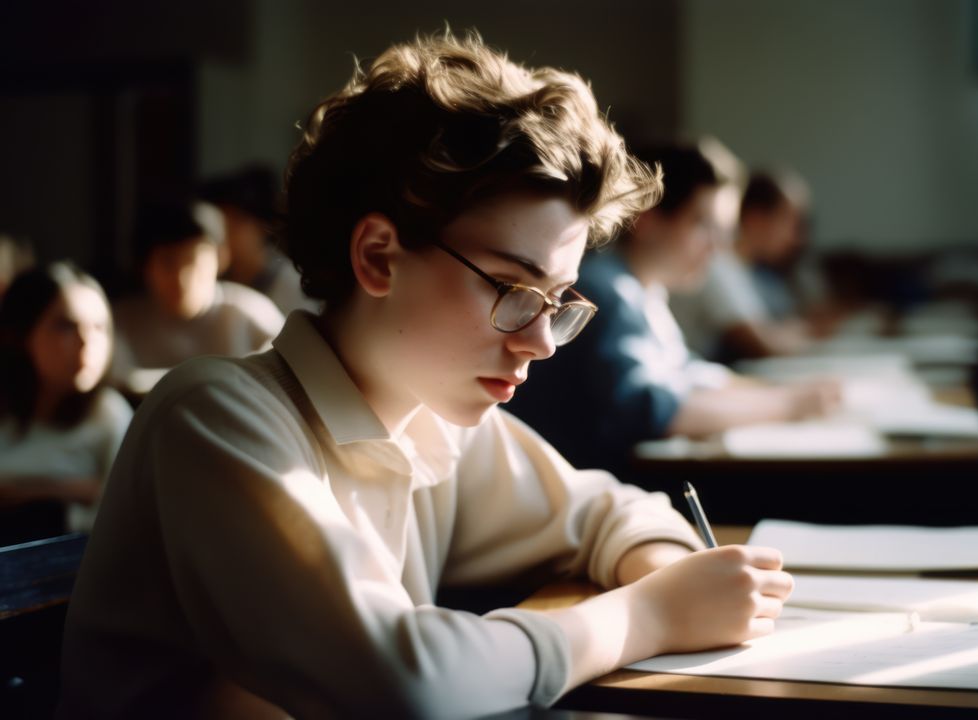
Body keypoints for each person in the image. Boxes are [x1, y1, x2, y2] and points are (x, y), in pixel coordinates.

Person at [59, 33, 793, 718]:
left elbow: (609, 512)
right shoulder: (216, 417)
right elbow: (403, 677)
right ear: (378, 256)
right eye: (510, 287)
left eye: (558, 302)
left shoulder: (427, 420)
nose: (542, 341)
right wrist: (650, 613)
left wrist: (666, 571)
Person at [508, 142, 837, 480]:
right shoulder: (606, 291)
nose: (717, 249)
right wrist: (787, 406)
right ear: (646, 219)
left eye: (723, 232)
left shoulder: (646, 291)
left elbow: (688, 374)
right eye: (702, 225)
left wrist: (791, 394)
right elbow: (650, 410)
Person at [0, 262, 132, 544]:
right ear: (22, 333)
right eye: (66, 326)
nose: (87, 342)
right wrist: (69, 489)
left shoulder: (108, 414)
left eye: (99, 327)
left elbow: (122, 518)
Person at [109, 199, 285, 396]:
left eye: (192, 261)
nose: (181, 277)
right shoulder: (120, 322)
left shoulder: (250, 314)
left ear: (221, 257)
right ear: (144, 266)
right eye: (168, 262)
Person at [670, 169, 823, 362]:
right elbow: (763, 345)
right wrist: (808, 333)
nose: (794, 237)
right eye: (787, 220)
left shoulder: (744, 269)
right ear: (755, 218)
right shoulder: (717, 265)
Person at [200, 164, 321, 315]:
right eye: (219, 223)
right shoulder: (212, 283)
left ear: (262, 224)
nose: (225, 232)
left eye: (236, 222)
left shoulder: (291, 286)